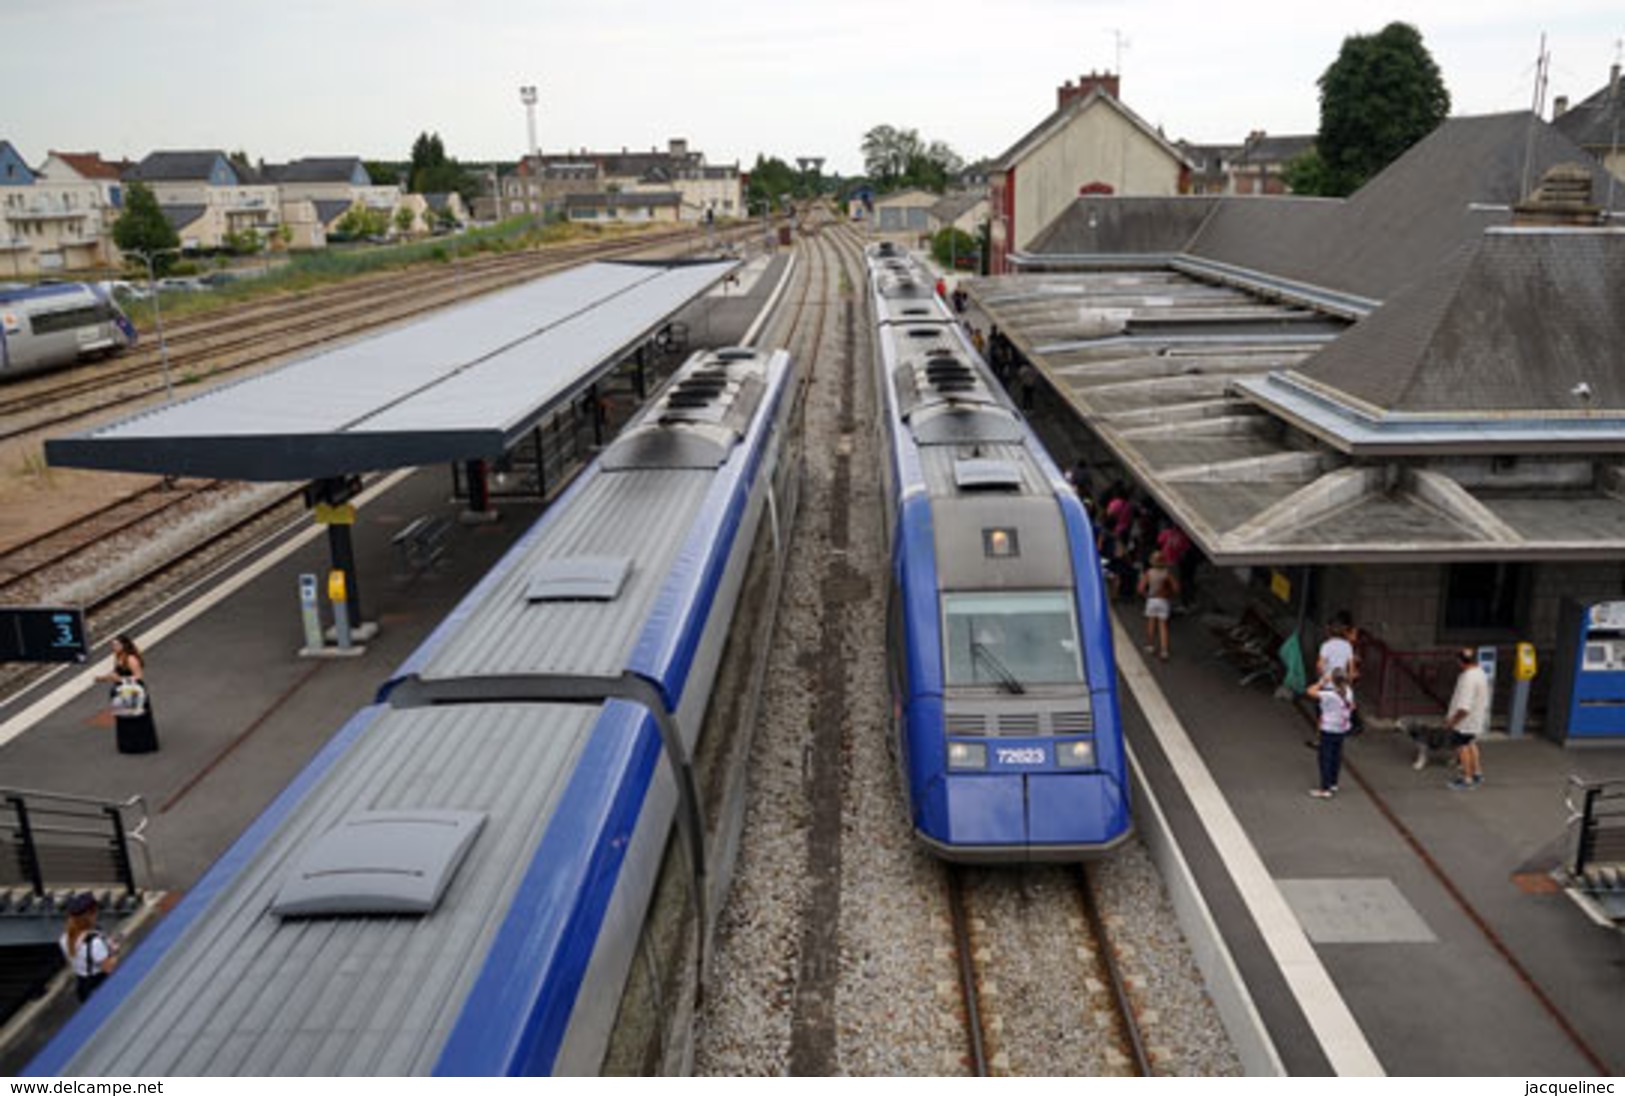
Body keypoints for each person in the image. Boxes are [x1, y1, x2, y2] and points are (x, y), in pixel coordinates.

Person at [97, 633, 159, 754]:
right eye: (113, 644)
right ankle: (128, 745)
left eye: (116, 644)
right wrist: (103, 678)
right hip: (121, 691)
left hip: (133, 690)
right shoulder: (117, 657)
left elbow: (139, 676)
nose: (113, 647)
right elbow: (115, 673)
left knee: (136, 717)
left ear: (124, 645)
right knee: (124, 717)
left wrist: (120, 680)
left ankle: (142, 745)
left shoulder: (131, 658)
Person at [1306, 668, 1356, 799]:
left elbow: (1310, 691)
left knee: (1325, 758)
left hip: (1328, 729)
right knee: (1336, 756)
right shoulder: (1349, 692)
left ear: (1333, 681)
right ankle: (1333, 783)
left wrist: (1322, 682)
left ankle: (1325, 788)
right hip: (1341, 728)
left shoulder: (1330, 695)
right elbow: (1352, 706)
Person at [60, 892, 118, 1002]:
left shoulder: (64, 939)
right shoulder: (94, 942)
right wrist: (115, 953)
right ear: (91, 914)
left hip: (83, 986)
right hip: (100, 985)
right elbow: (108, 968)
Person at [1445, 648, 1490, 789]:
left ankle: (1467, 778)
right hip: (1476, 718)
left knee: (1462, 747)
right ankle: (1477, 773)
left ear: (1459, 661)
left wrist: (1452, 721)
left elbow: (1464, 707)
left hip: (1465, 722)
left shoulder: (1467, 679)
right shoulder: (1480, 673)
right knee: (1471, 744)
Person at [1137, 551, 1179, 661]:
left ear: (1152, 561)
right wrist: (1168, 594)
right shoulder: (1167, 573)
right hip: (1164, 601)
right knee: (1163, 626)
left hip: (1152, 600)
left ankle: (1150, 645)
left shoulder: (1149, 573)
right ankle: (1164, 651)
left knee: (1151, 623)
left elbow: (1140, 589)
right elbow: (1176, 588)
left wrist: (1147, 596)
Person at [1317, 610, 1360, 682]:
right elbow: (1352, 672)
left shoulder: (1326, 645)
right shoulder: (1347, 646)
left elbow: (1320, 666)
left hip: (1327, 683)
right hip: (1341, 684)